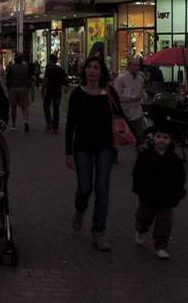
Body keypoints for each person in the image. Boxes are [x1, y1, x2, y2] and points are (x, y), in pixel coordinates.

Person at [65, 55, 119, 252]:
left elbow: (120, 116)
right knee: (85, 188)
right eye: (89, 67)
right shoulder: (77, 95)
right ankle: (80, 209)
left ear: (101, 71)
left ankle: (98, 231)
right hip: (82, 147)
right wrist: (68, 152)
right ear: (85, 71)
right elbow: (70, 125)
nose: (92, 71)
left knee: (102, 190)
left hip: (105, 146)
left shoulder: (110, 93)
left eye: (96, 68)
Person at [131, 123, 187, 260]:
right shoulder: (145, 156)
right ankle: (140, 229)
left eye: (165, 137)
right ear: (153, 138)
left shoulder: (175, 161)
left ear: (170, 140)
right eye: (159, 136)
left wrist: (177, 193)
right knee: (144, 217)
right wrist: (139, 189)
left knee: (164, 221)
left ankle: (160, 246)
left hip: (167, 197)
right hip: (148, 194)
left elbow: (180, 178)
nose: (162, 140)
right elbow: (137, 173)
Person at [112, 57, 146, 149]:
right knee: (118, 137)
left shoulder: (141, 79)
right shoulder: (120, 79)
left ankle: (141, 160)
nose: (136, 67)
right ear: (128, 66)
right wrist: (131, 97)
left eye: (138, 65)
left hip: (136, 113)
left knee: (139, 138)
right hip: (123, 112)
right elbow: (116, 95)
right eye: (134, 65)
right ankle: (113, 155)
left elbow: (141, 93)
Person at [6, 53, 33, 132]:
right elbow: (30, 79)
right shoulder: (26, 67)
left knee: (13, 107)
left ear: (14, 59)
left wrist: (8, 88)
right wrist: (28, 88)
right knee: (24, 107)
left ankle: (14, 125)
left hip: (13, 88)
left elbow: (7, 80)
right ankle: (25, 121)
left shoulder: (11, 67)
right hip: (23, 88)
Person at [42, 54, 68, 134]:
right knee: (56, 109)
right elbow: (66, 79)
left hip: (50, 91)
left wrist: (43, 90)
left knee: (46, 106)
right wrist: (66, 87)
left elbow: (45, 80)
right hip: (57, 91)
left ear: (50, 60)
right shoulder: (60, 69)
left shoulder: (49, 69)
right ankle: (55, 128)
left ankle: (49, 122)